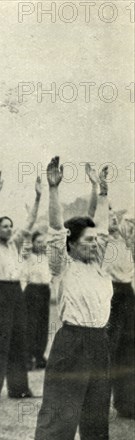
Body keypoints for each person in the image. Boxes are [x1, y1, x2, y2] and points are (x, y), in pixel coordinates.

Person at [30, 157, 129, 440]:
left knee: (97, 406)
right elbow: (57, 232)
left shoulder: (101, 266)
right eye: (85, 240)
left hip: (98, 341)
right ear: (72, 244)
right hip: (71, 341)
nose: (93, 244)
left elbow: (100, 230)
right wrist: (54, 190)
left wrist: (102, 192)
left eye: (94, 241)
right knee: (59, 409)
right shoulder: (62, 266)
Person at [0, 174, 40, 404]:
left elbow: (29, 224)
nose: (8, 229)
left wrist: (38, 196)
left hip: (16, 293)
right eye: (5, 226)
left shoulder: (14, 246)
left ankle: (19, 389)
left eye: (10, 227)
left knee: (18, 340)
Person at [87, 163, 135, 419]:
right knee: (109, 350)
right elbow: (95, 217)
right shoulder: (102, 244)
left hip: (128, 294)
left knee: (129, 349)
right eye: (111, 216)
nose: (115, 219)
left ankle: (126, 402)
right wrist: (99, 188)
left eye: (118, 217)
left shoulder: (127, 241)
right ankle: (98, 402)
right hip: (111, 295)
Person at [23, 227, 51, 370]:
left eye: (43, 242)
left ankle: (39, 356)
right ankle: (27, 357)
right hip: (32, 291)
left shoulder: (46, 258)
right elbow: (25, 243)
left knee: (42, 324)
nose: (42, 244)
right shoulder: (28, 256)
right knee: (30, 325)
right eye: (38, 242)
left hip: (45, 290)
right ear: (33, 243)